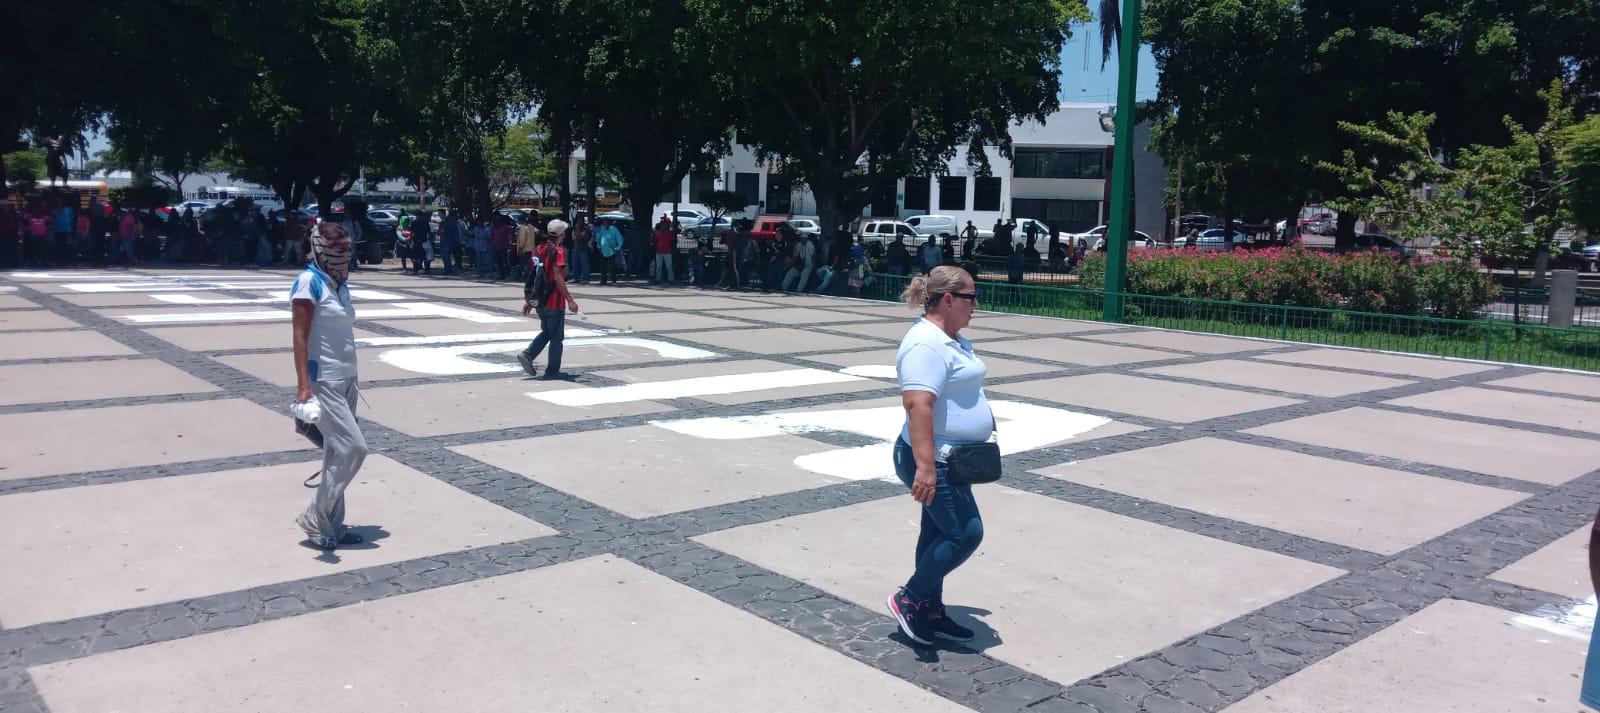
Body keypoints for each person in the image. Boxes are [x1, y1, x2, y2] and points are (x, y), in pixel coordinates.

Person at [886, 265, 988, 646]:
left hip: (952, 457)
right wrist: (926, 467)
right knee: (965, 532)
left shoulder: (950, 340)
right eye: (971, 297)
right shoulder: (925, 344)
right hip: (933, 459)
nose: (976, 305)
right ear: (948, 299)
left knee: (937, 534)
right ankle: (910, 598)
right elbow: (918, 406)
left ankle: (929, 608)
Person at [291, 221, 368, 551]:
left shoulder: (339, 284)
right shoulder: (308, 283)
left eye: (347, 250)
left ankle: (331, 527)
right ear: (319, 250)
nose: (344, 257)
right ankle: (315, 514)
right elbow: (299, 337)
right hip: (323, 379)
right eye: (337, 251)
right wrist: (303, 387)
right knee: (354, 449)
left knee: (336, 453)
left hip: (347, 376)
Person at [518, 219, 579, 380]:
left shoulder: (537, 249)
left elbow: (534, 276)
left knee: (547, 332)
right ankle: (552, 371)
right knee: (556, 337)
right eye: (564, 233)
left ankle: (528, 355)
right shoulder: (558, 251)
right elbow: (558, 277)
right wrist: (570, 300)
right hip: (554, 301)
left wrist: (529, 300)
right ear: (560, 234)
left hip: (540, 301)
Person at [597, 218, 623, 285]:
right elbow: (599, 239)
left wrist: (617, 248)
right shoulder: (602, 229)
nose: (604, 224)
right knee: (603, 267)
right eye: (603, 223)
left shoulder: (614, 229)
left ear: (609, 223)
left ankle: (613, 280)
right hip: (603, 251)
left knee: (612, 267)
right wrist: (599, 246)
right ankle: (603, 280)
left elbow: (620, 239)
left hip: (611, 251)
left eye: (606, 223)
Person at [651, 216, 676, 283]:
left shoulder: (668, 233)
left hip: (665, 252)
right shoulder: (660, 233)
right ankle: (660, 279)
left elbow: (672, 242)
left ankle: (669, 279)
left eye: (664, 224)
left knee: (667, 267)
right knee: (661, 267)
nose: (663, 226)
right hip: (661, 251)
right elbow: (655, 241)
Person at [409, 209, 433, 274]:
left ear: (416, 215)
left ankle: (416, 268)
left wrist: (411, 241)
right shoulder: (425, 222)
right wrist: (430, 240)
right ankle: (426, 269)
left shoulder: (413, 222)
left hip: (416, 241)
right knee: (426, 255)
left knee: (416, 255)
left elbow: (411, 233)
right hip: (424, 240)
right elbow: (429, 232)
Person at [438, 209, 462, 274]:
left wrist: (455, 240)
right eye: (439, 214)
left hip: (449, 241)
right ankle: (446, 269)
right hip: (442, 241)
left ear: (444, 214)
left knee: (447, 255)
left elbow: (454, 230)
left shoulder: (450, 221)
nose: (439, 215)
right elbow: (439, 232)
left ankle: (448, 270)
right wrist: (440, 231)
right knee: (443, 256)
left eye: (440, 214)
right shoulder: (441, 223)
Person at [571, 217, 592, 284]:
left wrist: (577, 230)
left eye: (580, 221)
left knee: (584, 265)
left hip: (583, 249)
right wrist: (577, 236)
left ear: (583, 222)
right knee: (575, 264)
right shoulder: (574, 229)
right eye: (578, 221)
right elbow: (573, 238)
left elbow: (582, 238)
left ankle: (585, 278)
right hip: (575, 249)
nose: (579, 222)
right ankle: (576, 278)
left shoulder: (586, 229)